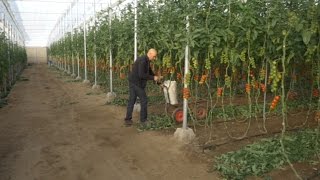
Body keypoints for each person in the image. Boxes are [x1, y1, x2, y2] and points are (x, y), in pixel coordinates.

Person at [124, 48, 161, 126]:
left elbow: (149, 71)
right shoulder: (143, 61)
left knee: (132, 100)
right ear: (150, 53)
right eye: (154, 56)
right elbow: (141, 75)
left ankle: (128, 119)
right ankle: (143, 120)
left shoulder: (146, 60)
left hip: (133, 82)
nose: (155, 58)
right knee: (144, 100)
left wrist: (156, 79)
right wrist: (153, 78)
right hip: (137, 83)